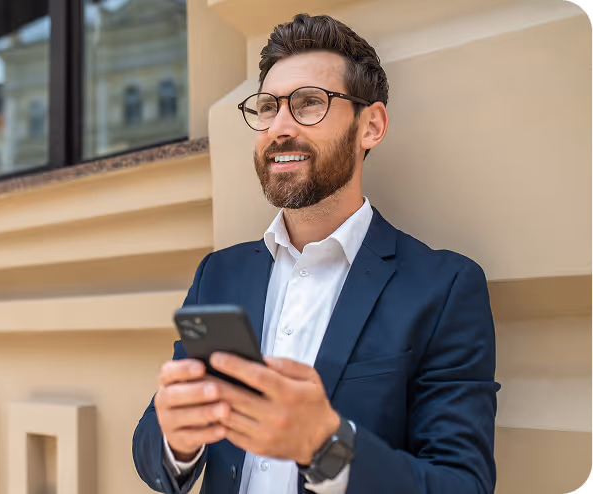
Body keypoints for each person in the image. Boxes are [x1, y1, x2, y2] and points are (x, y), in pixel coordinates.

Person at [132, 12, 499, 494]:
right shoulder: (218, 273)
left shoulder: (444, 287)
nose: (279, 127)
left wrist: (328, 447)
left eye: (309, 103)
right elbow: (154, 449)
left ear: (371, 125)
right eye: (267, 107)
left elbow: (462, 484)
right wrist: (176, 442)